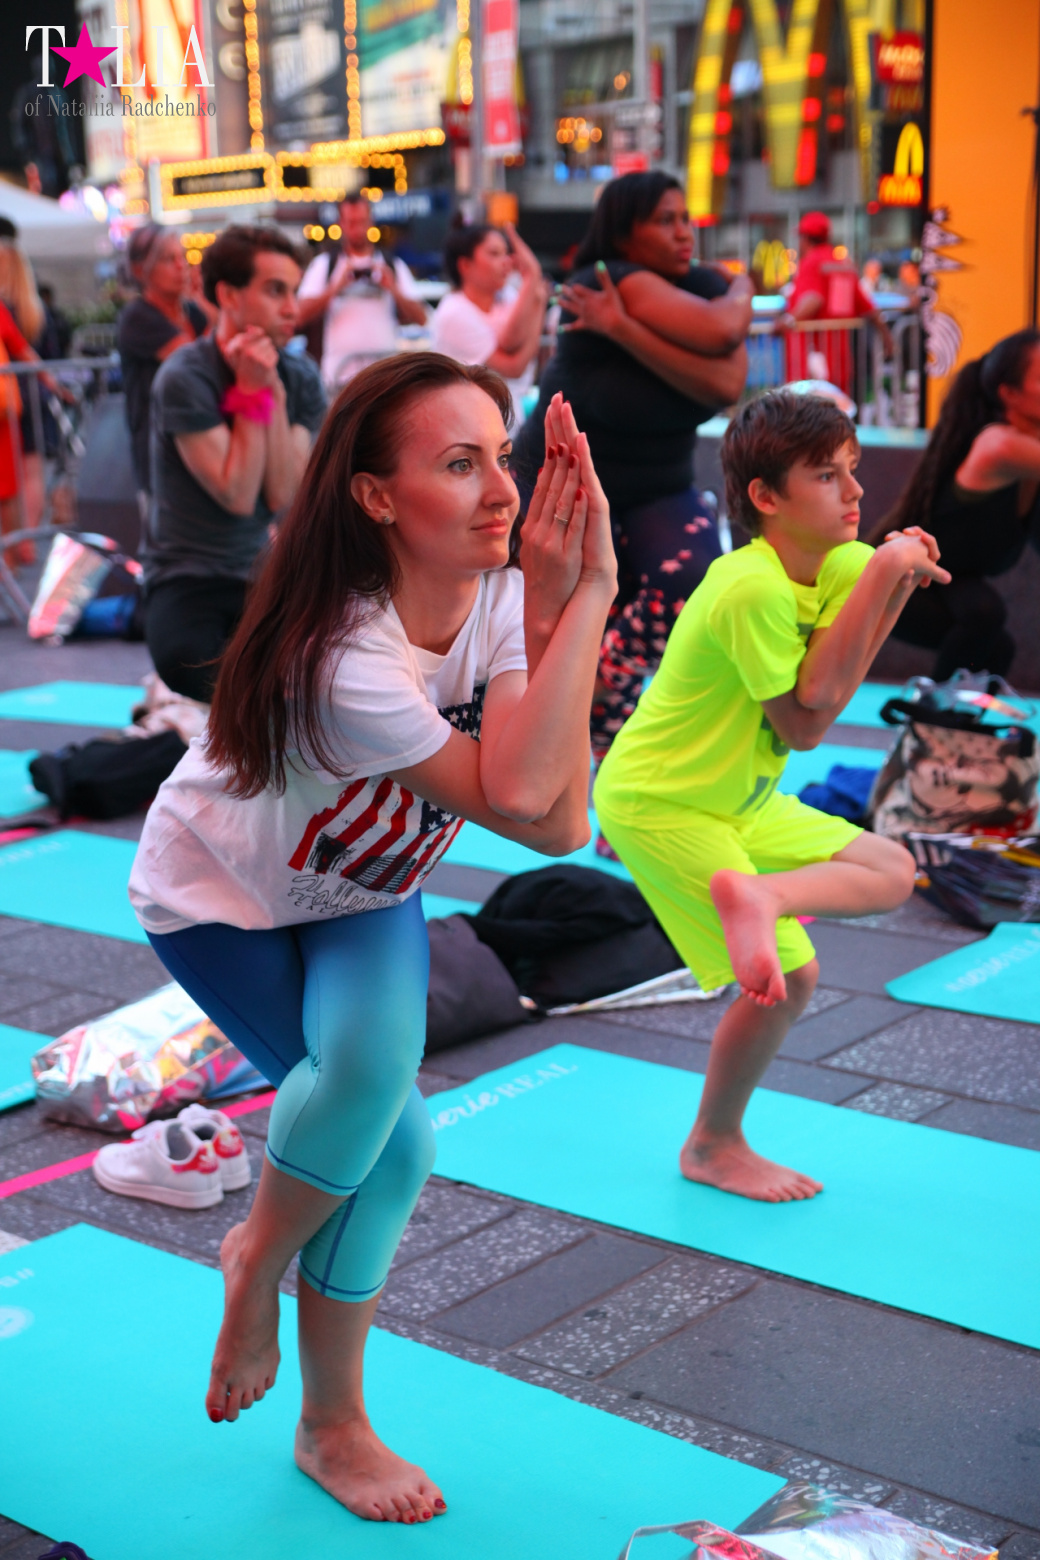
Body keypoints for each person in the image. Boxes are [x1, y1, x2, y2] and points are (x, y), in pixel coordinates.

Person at [127, 354, 617, 1520]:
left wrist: (568, 601)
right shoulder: (347, 656)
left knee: (391, 1145)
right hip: (224, 903)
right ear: (375, 496)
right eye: (460, 464)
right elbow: (517, 800)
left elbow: (561, 821)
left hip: (358, 896)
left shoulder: (499, 597)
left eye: (502, 453)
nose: (501, 487)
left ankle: (313, 1389)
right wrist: (568, 605)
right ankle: (272, 1289)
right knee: (369, 1107)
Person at [594, 391, 949, 1202]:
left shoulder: (849, 564)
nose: (856, 493)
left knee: (893, 869)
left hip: (740, 801)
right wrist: (888, 582)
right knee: (790, 976)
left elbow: (833, 682)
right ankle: (713, 1144)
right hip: (663, 801)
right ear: (766, 497)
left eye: (855, 471)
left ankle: (762, 894)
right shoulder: (746, 586)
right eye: (828, 476)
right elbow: (805, 723)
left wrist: (884, 586)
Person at [512, 170, 753, 763]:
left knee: (689, 579)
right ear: (624, 232)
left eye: (685, 218)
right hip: (562, 486)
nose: (683, 232)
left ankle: (604, 686)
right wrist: (736, 294)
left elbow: (727, 381)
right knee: (578, 623)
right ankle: (595, 786)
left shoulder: (699, 286)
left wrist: (623, 327)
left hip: (654, 487)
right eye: (664, 220)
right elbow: (724, 333)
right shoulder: (605, 279)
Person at [142, 225, 325, 704]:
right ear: (228, 295)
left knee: (316, 689)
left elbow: (281, 493)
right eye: (274, 290)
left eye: (294, 291)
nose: (292, 308)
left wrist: (274, 394)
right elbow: (239, 495)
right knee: (232, 687)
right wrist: (248, 392)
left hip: (261, 580)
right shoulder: (185, 376)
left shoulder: (299, 378)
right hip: (188, 585)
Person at [876, 328, 1040, 679]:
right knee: (984, 612)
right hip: (889, 575)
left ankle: (958, 725)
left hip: (942, 580)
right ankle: (930, 716)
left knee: (998, 647)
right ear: (1009, 394)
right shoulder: (999, 446)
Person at [296, 193, 426, 391]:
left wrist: (392, 288)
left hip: (384, 377)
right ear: (340, 224)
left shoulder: (392, 266)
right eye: (351, 222)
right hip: (338, 377)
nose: (357, 229)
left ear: (371, 221)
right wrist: (335, 288)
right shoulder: (324, 265)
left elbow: (421, 317)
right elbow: (300, 315)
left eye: (362, 221)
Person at [118, 225, 208, 498]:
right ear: (139, 270)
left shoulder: (193, 312)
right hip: (159, 447)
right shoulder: (137, 317)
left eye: (182, 256)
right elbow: (197, 361)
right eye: (169, 259)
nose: (181, 267)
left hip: (201, 437)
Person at [431, 221, 548, 427]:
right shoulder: (454, 312)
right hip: (469, 423)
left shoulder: (507, 296)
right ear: (465, 265)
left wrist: (534, 296)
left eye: (506, 253)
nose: (506, 262)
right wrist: (533, 289)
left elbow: (512, 341)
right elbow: (514, 367)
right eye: (494, 254)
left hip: (509, 418)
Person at [775, 212, 894, 389]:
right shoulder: (843, 265)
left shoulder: (811, 263)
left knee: (806, 413)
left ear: (805, 238)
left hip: (811, 364)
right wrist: (887, 339)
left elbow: (813, 299)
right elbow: (869, 308)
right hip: (839, 362)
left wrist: (787, 321)